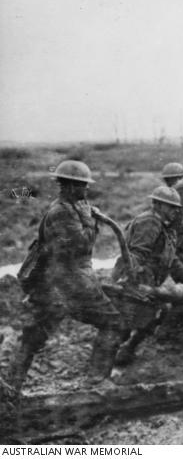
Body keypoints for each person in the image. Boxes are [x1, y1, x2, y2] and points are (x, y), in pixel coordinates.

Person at [4, 161, 124, 392]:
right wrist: (89, 220)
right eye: (83, 186)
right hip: (68, 283)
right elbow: (80, 245)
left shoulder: (68, 208)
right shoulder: (62, 212)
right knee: (113, 322)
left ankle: (10, 387)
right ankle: (96, 380)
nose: (86, 190)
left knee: (34, 336)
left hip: (55, 283)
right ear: (70, 186)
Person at [111, 186, 183, 366]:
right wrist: (133, 282)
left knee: (153, 314)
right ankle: (108, 362)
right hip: (136, 280)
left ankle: (125, 351)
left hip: (146, 281)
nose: (175, 211)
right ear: (158, 205)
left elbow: (171, 257)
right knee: (126, 323)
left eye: (176, 208)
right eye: (171, 207)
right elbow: (137, 254)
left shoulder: (164, 227)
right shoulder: (150, 222)